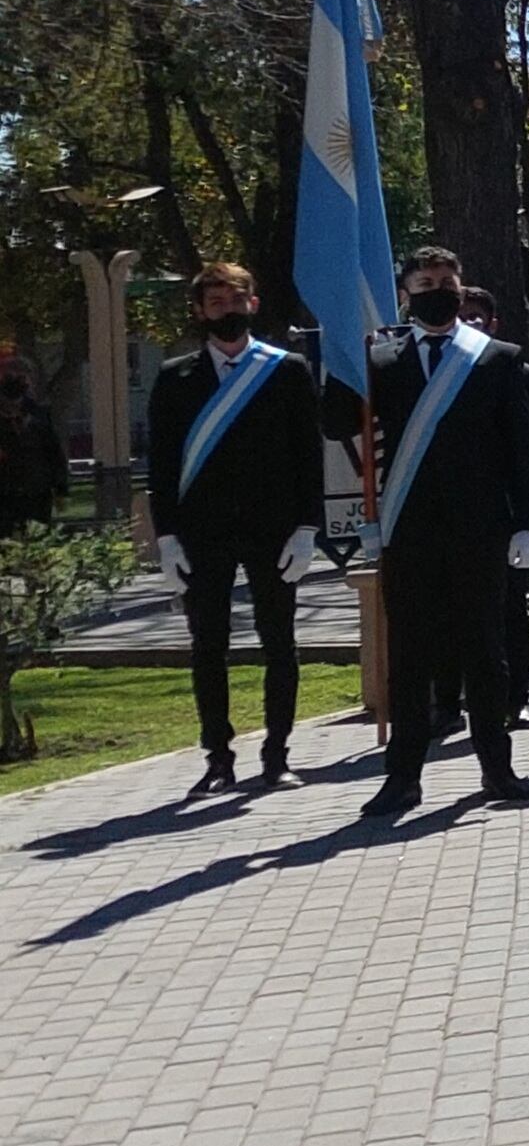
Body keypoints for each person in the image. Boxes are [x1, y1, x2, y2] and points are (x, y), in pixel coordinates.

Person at [332, 247, 529, 818]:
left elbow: (518, 447)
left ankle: (496, 768)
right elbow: (334, 422)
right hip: (408, 527)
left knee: (486, 655)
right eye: (426, 282)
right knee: (410, 658)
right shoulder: (378, 359)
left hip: (479, 529)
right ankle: (402, 778)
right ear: (406, 292)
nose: (438, 290)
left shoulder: (496, 358)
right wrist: (340, 357)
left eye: (448, 280)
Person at [147, 262, 324, 794]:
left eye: (235, 298)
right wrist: (166, 536)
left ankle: (277, 755)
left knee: (280, 643)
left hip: (275, 530)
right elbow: (161, 463)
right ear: (200, 311)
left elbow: (306, 455)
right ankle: (218, 758)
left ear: (253, 303)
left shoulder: (286, 369)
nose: (225, 309)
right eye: (214, 301)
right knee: (208, 646)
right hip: (204, 532)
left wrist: (306, 527)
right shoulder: (174, 377)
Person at [458, 285, 529, 730]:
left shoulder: (525, 376)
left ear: (493, 324)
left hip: (506, 514)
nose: (469, 322)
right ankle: (447, 703)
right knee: (449, 612)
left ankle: (518, 699)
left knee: (510, 610)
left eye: (478, 317)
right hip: (449, 513)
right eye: (462, 315)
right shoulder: (433, 373)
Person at [0, 366, 69, 536]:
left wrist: (61, 489)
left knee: (37, 538)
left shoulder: (38, 420)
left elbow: (55, 455)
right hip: (5, 494)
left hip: (37, 492)